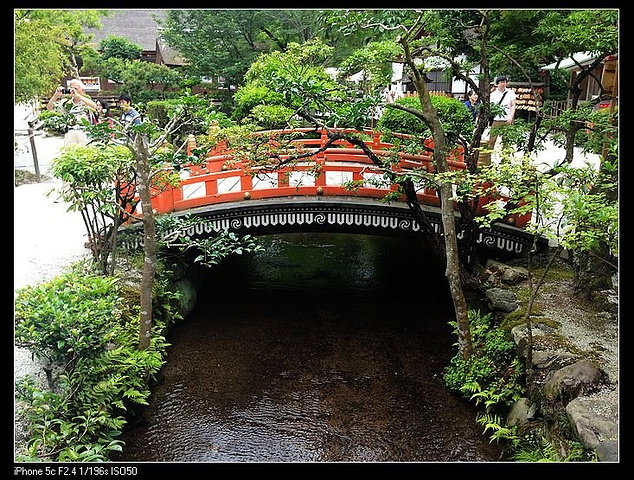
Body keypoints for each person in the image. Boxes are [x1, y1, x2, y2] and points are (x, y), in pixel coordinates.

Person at [46, 78, 98, 146]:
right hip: (70, 133)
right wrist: (56, 96)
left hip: (84, 132)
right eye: (71, 88)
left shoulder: (85, 102)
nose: (73, 91)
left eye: (76, 89)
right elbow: (49, 108)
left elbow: (95, 107)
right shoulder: (67, 103)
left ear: (82, 90)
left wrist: (79, 96)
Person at [486, 75, 516, 164]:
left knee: (506, 140)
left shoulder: (510, 93)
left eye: (504, 82)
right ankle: (488, 159)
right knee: (492, 140)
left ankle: (505, 159)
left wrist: (511, 116)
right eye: (501, 82)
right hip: (496, 119)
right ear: (497, 84)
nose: (503, 84)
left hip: (507, 119)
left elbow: (513, 105)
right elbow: (490, 107)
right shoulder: (493, 94)